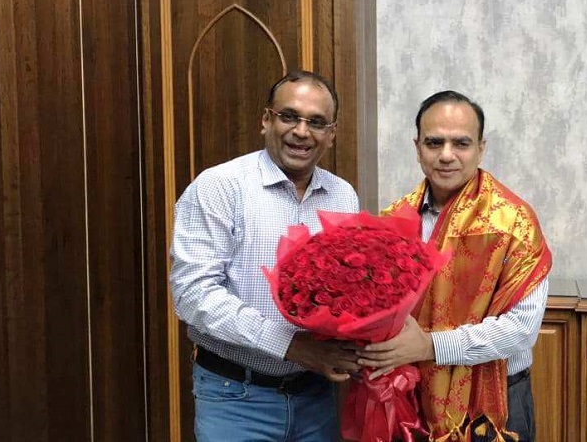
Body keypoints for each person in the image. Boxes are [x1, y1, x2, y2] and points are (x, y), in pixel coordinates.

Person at [169, 70, 362, 441]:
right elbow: (193, 294)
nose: (301, 132)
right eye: (289, 116)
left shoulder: (343, 196)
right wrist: (290, 346)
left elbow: (347, 291)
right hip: (236, 398)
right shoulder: (220, 186)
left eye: (316, 122)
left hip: (316, 396)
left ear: (332, 134)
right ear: (266, 120)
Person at [357, 91, 552, 441]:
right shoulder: (395, 220)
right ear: (418, 147)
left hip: (494, 403)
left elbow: (522, 329)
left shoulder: (513, 221)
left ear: (481, 148)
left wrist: (431, 346)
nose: (446, 155)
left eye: (461, 143)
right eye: (434, 143)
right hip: (414, 392)